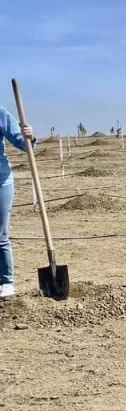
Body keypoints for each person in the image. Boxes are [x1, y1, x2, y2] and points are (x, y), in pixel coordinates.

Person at [0, 106, 35, 299]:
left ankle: (6, 282)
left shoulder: (0, 113)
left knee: (0, 235)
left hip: (1, 182)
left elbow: (22, 143)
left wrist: (29, 136)